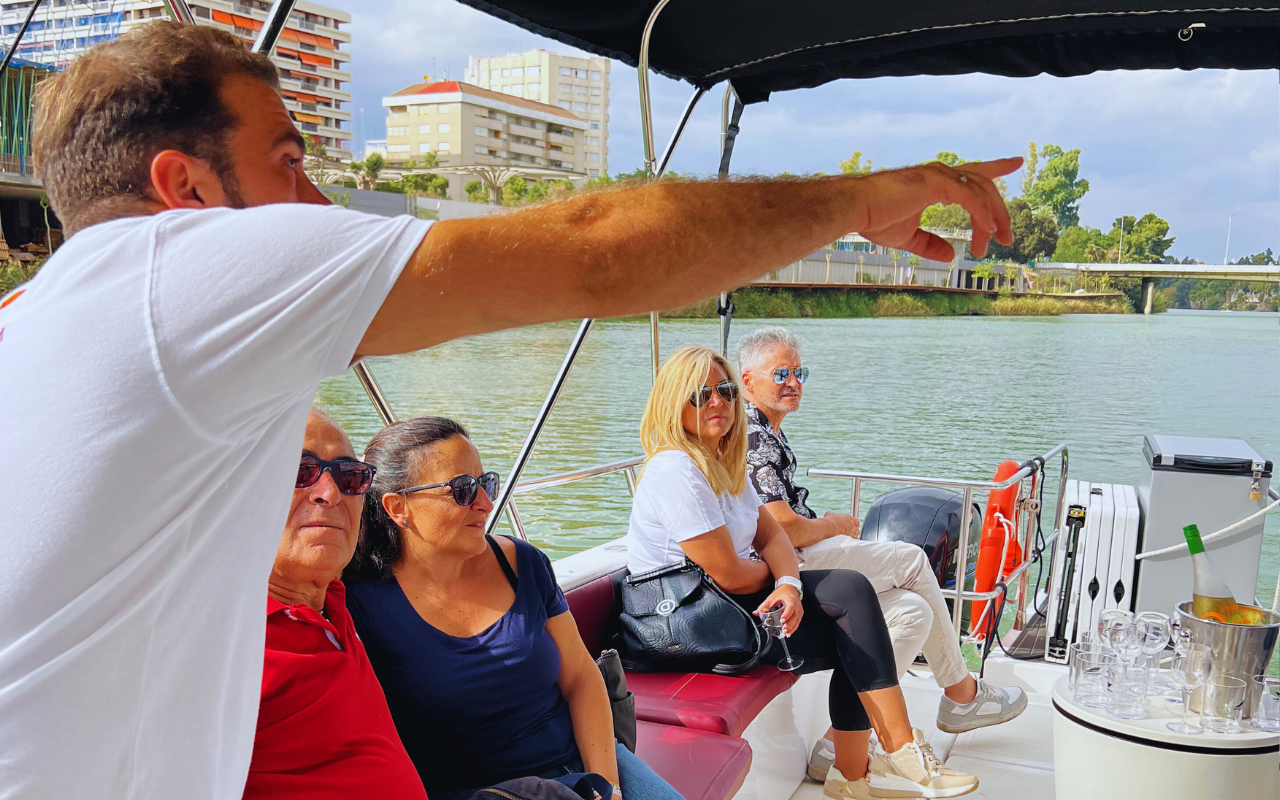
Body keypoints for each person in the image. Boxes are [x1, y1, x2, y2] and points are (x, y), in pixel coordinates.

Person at [0, 20, 1015, 797]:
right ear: (181, 188)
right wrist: (857, 199)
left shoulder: (38, 324)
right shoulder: (170, 275)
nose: (313, 202)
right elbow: (598, 247)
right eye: (289, 159)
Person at [627, 347, 978, 800]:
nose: (718, 402)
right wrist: (780, 582)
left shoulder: (723, 467)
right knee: (849, 591)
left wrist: (790, 586)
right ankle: (899, 750)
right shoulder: (675, 469)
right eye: (700, 394)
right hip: (684, 628)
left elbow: (773, 538)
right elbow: (730, 573)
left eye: (726, 391)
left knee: (892, 614)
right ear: (673, 403)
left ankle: (851, 778)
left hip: (729, 613)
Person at [736, 327, 1026, 776]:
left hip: (799, 559)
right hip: (782, 567)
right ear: (748, 380)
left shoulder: (768, 432)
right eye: (781, 373)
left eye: (799, 372)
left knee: (912, 611)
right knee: (910, 559)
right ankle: (961, 693)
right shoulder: (753, 436)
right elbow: (784, 528)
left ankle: (836, 744)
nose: (793, 381)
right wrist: (834, 524)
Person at [344, 417, 681, 800]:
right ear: (397, 507)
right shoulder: (360, 604)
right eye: (462, 490)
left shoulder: (523, 563)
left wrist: (609, 788)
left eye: (485, 483)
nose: (486, 504)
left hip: (581, 767)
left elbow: (580, 678)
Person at [245, 408, 426, 799]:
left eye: (350, 477)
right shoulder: (222, 643)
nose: (330, 492)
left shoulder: (335, 598)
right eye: (298, 470)